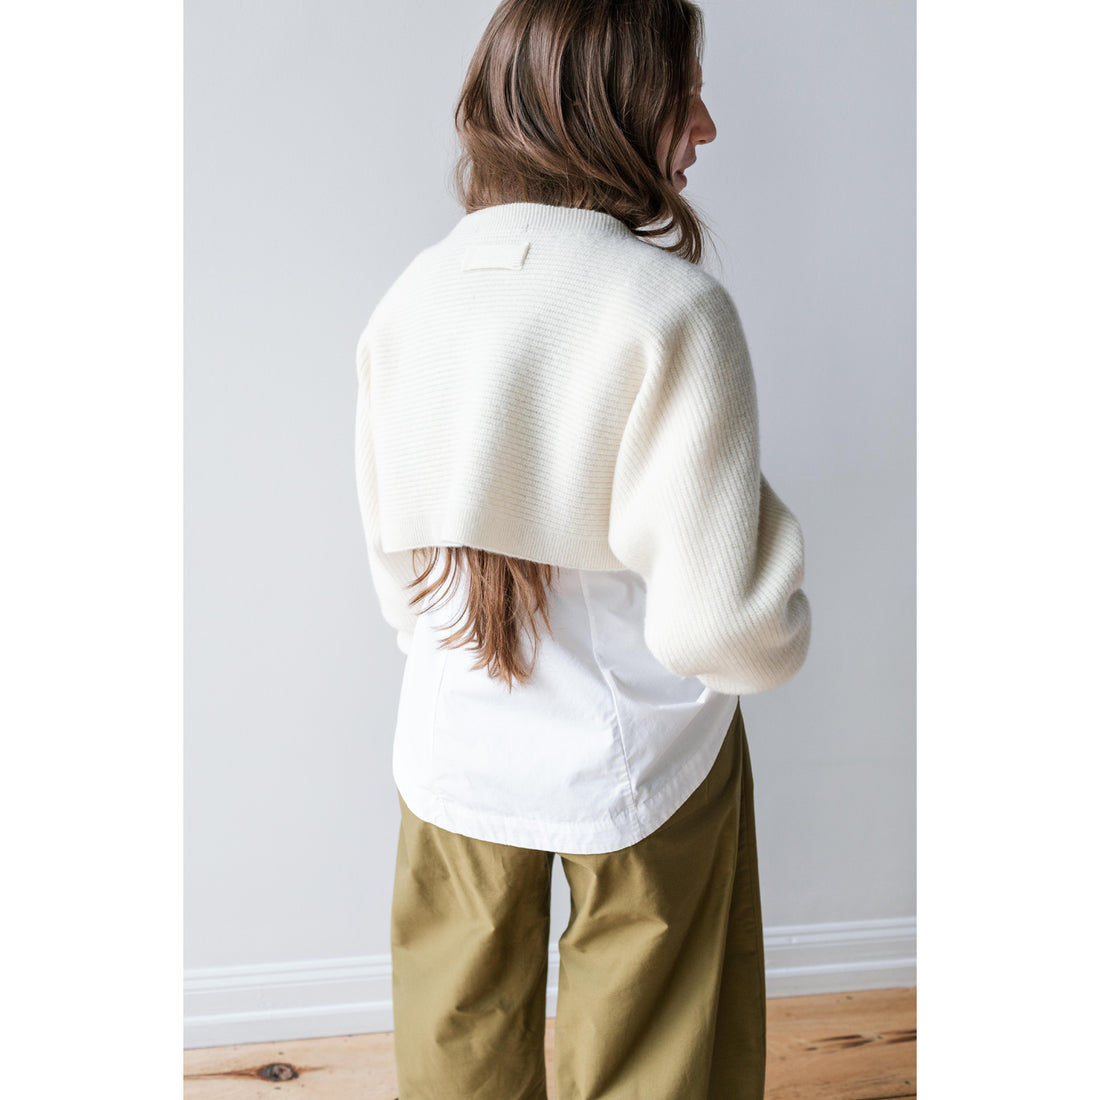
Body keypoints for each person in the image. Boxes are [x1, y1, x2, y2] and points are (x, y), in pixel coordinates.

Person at [353, 1, 811, 1096]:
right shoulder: (670, 311)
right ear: (611, 105)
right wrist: (782, 622)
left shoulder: (412, 296)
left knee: (456, 1045)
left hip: (454, 730)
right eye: (683, 94)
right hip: (637, 747)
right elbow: (722, 627)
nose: (704, 126)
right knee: (654, 1047)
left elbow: (398, 567)